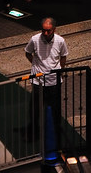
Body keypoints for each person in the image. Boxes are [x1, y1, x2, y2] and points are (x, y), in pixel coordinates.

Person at [25, 17, 69, 158]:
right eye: (43, 30)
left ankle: (56, 135)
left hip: (54, 81)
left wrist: (59, 70)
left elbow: (63, 57)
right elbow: (27, 52)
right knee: (35, 108)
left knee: (55, 109)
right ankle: (35, 131)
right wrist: (35, 66)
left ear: (54, 30)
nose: (45, 33)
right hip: (38, 81)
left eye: (48, 30)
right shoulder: (34, 39)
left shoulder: (60, 41)